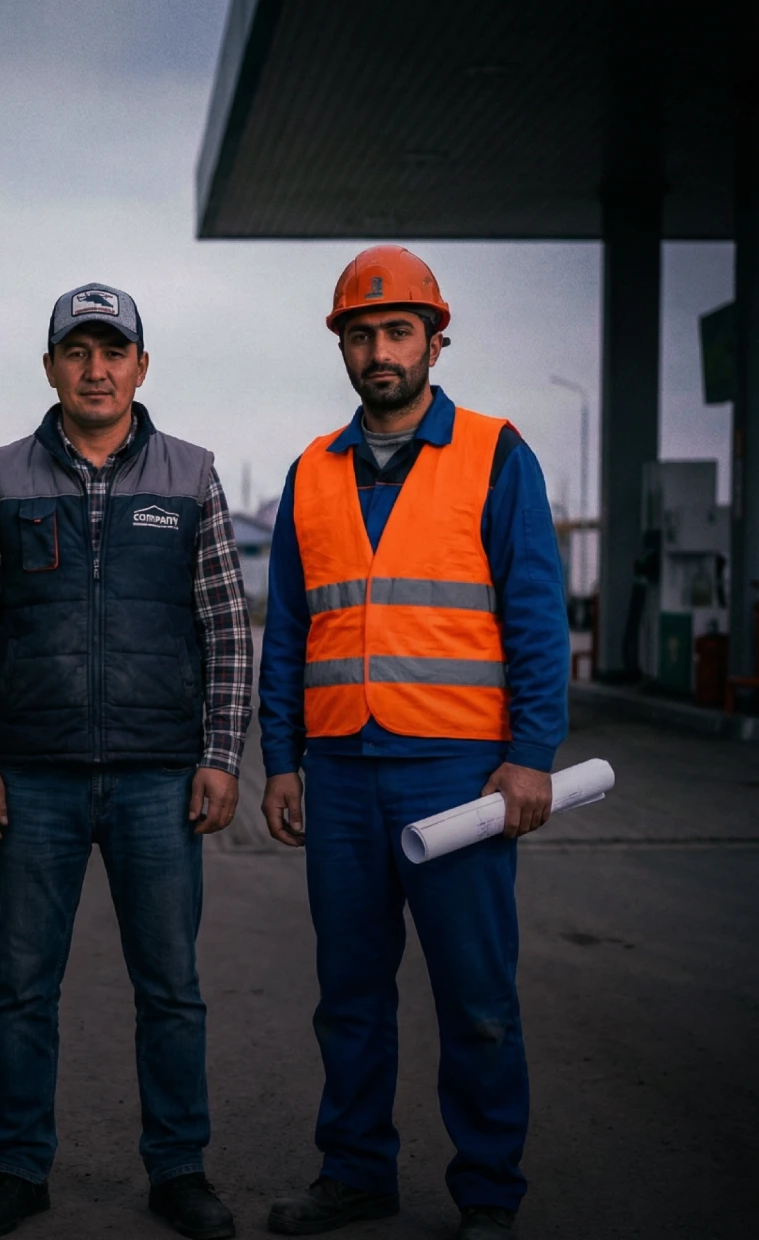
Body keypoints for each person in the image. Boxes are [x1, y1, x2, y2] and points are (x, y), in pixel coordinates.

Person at [259, 247, 569, 1239]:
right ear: (342, 346)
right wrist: (280, 758)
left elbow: (537, 618)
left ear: (436, 338)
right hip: (343, 771)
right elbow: (289, 633)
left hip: (458, 774)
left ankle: (488, 1192)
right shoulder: (312, 472)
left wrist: (531, 754)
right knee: (350, 994)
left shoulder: (495, 453)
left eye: (398, 331)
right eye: (362, 333)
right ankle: (356, 1170)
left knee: (477, 997)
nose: (379, 349)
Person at [0, 284, 253, 1240]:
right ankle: (19, 1167)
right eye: (76, 352)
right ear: (50, 369)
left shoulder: (191, 473)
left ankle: (179, 1169)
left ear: (141, 367)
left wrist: (222, 754)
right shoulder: (2, 478)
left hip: (161, 777)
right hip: (32, 779)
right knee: (24, 988)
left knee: (171, 987)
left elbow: (227, 628)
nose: (96, 368)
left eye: (113, 351)